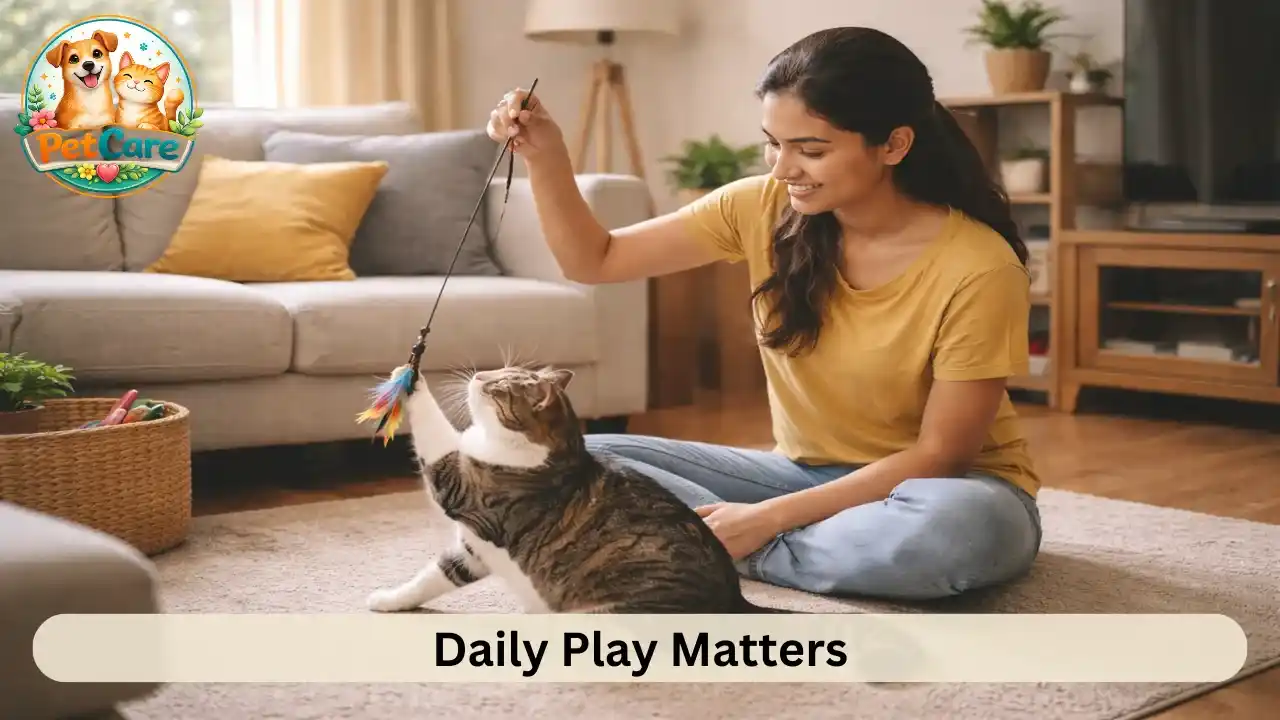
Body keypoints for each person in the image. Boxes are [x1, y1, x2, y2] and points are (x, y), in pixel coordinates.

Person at [485, 26, 1043, 602]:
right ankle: (769, 544)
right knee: (574, 459)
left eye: (812, 149)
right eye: (773, 143)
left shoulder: (978, 266)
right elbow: (595, 259)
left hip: (949, 489)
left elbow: (941, 455)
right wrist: (546, 155)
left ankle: (715, 547)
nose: (783, 168)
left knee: (948, 536)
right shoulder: (759, 206)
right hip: (803, 473)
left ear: (894, 145)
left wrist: (767, 519)